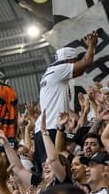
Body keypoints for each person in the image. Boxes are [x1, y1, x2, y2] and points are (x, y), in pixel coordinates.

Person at [34, 32, 99, 169]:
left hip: (42, 129)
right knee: (54, 168)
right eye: (75, 61)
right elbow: (86, 62)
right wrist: (92, 46)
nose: (76, 65)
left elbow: (80, 71)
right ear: (69, 61)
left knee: (46, 170)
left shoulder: (50, 72)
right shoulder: (60, 70)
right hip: (52, 129)